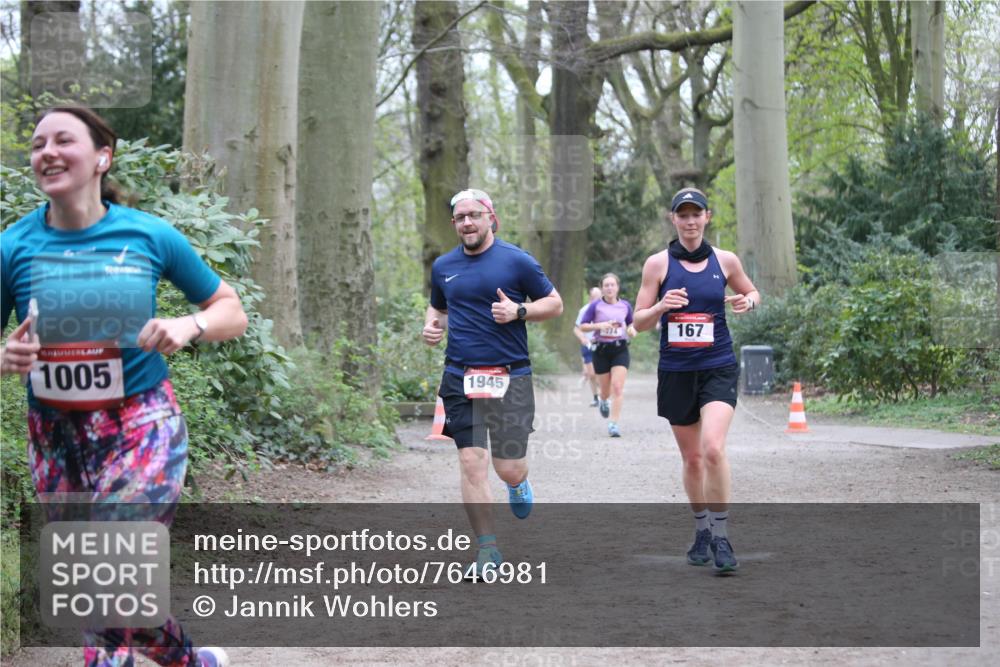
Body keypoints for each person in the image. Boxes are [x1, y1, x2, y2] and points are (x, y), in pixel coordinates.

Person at [1, 106, 246, 666]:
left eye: (64, 140)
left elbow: (230, 309)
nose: (48, 152)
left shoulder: (147, 234)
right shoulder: (13, 247)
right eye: (38, 144)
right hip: (54, 435)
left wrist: (190, 324)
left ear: (102, 158)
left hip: (141, 423)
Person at [422, 188, 563, 578]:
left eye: (474, 215)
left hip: (510, 376)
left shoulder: (516, 261)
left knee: (509, 468)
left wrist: (519, 310)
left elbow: (555, 303)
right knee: (471, 461)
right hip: (458, 375)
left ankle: (518, 484)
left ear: (490, 217)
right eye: (460, 217)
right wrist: (431, 326)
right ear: (454, 224)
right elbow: (438, 307)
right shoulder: (443, 266)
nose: (467, 222)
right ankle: (487, 549)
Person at [633, 187, 760, 573]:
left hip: (717, 365)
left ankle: (722, 537)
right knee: (691, 460)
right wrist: (660, 306)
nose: (690, 221)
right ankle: (701, 528)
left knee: (713, 449)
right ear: (673, 219)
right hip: (676, 371)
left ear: (707, 217)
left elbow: (752, 291)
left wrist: (748, 302)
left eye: (696, 214)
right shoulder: (657, 265)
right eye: (682, 215)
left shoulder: (725, 260)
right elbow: (638, 322)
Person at [576, 274, 637, 437]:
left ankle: (613, 424)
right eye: (606, 285)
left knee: (617, 387)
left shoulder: (625, 306)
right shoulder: (595, 306)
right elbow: (582, 326)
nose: (609, 288)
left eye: (612, 285)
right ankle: (603, 400)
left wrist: (631, 330)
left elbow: (630, 324)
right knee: (605, 390)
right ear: (602, 288)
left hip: (620, 349)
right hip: (601, 351)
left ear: (617, 287)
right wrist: (599, 325)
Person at [573, 286, 602, 407]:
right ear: (590, 298)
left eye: (600, 297)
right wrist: (583, 338)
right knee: (592, 374)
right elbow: (576, 329)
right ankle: (596, 397)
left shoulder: (605, 310)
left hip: (601, 344)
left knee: (602, 373)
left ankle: (602, 397)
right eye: (595, 297)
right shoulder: (584, 310)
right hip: (588, 344)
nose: (598, 300)